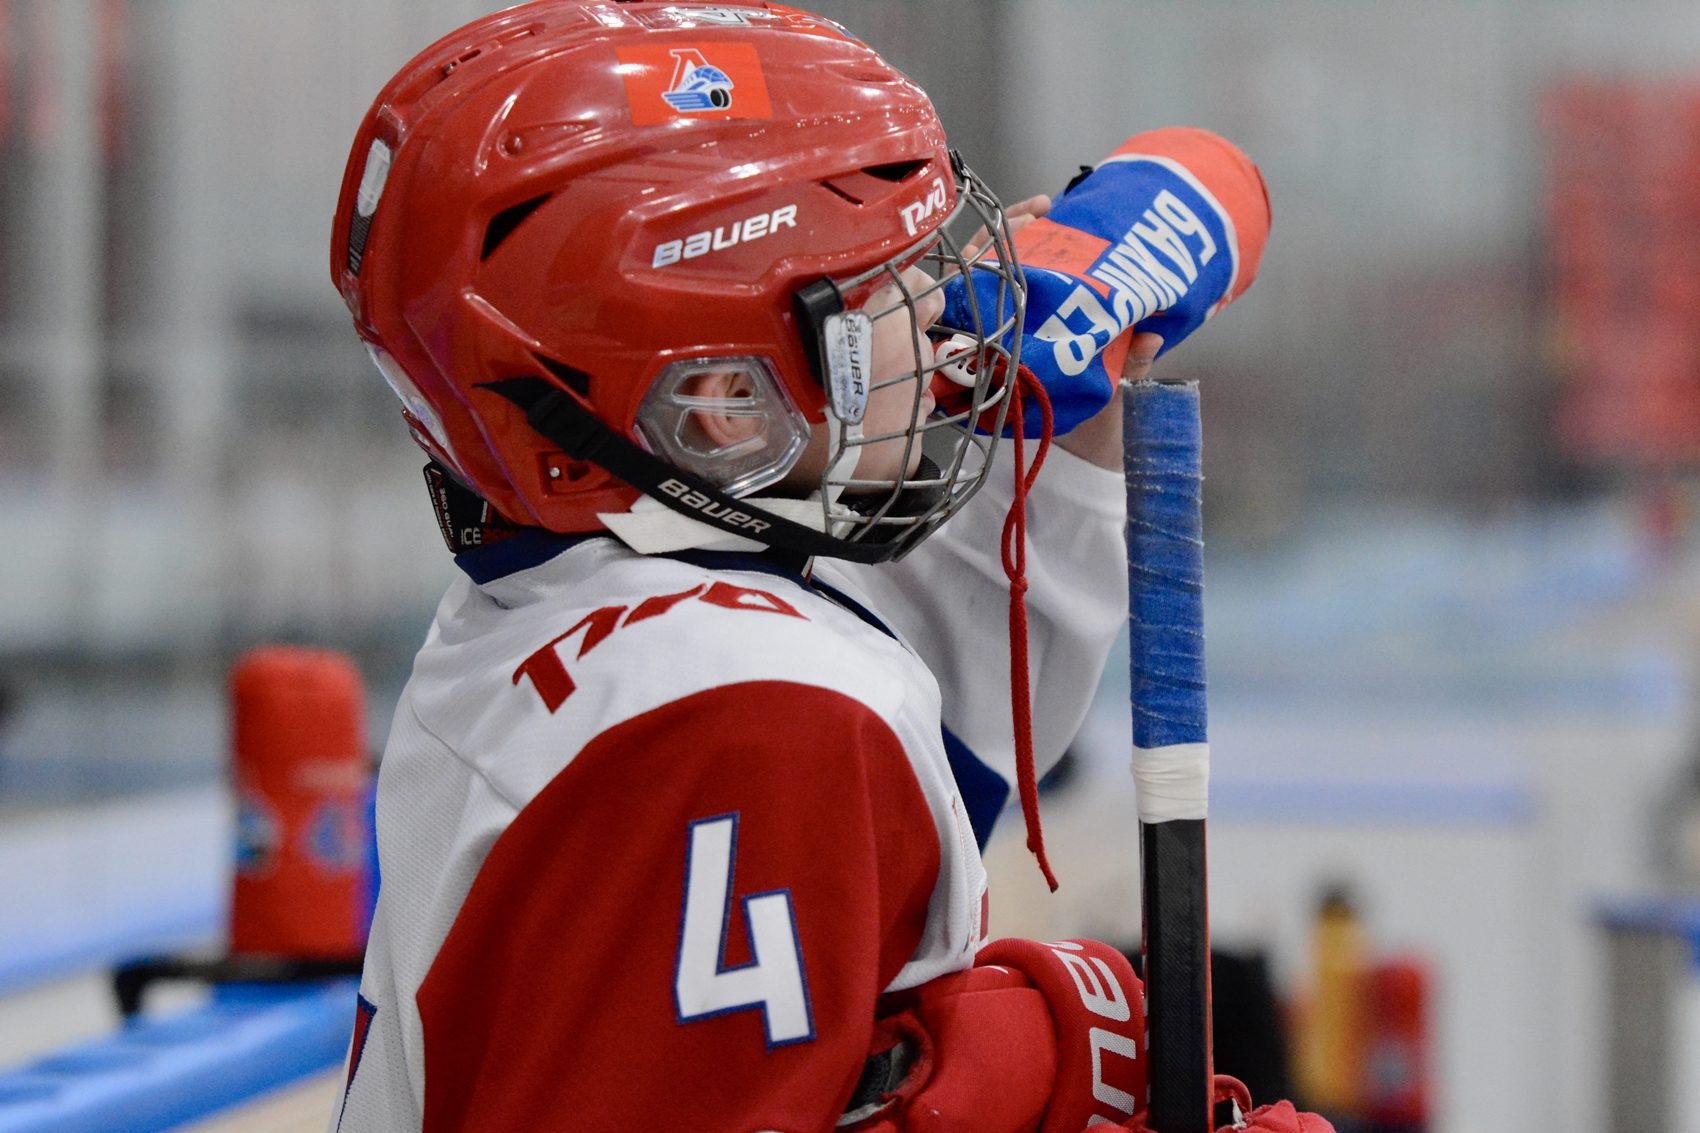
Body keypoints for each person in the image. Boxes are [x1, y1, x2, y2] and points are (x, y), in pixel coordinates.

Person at [326, 4, 1307, 1132]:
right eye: (880, 283)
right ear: (718, 406)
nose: (943, 311)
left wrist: (1080, 378)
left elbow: (914, 701)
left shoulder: (588, 600)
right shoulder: (742, 717)